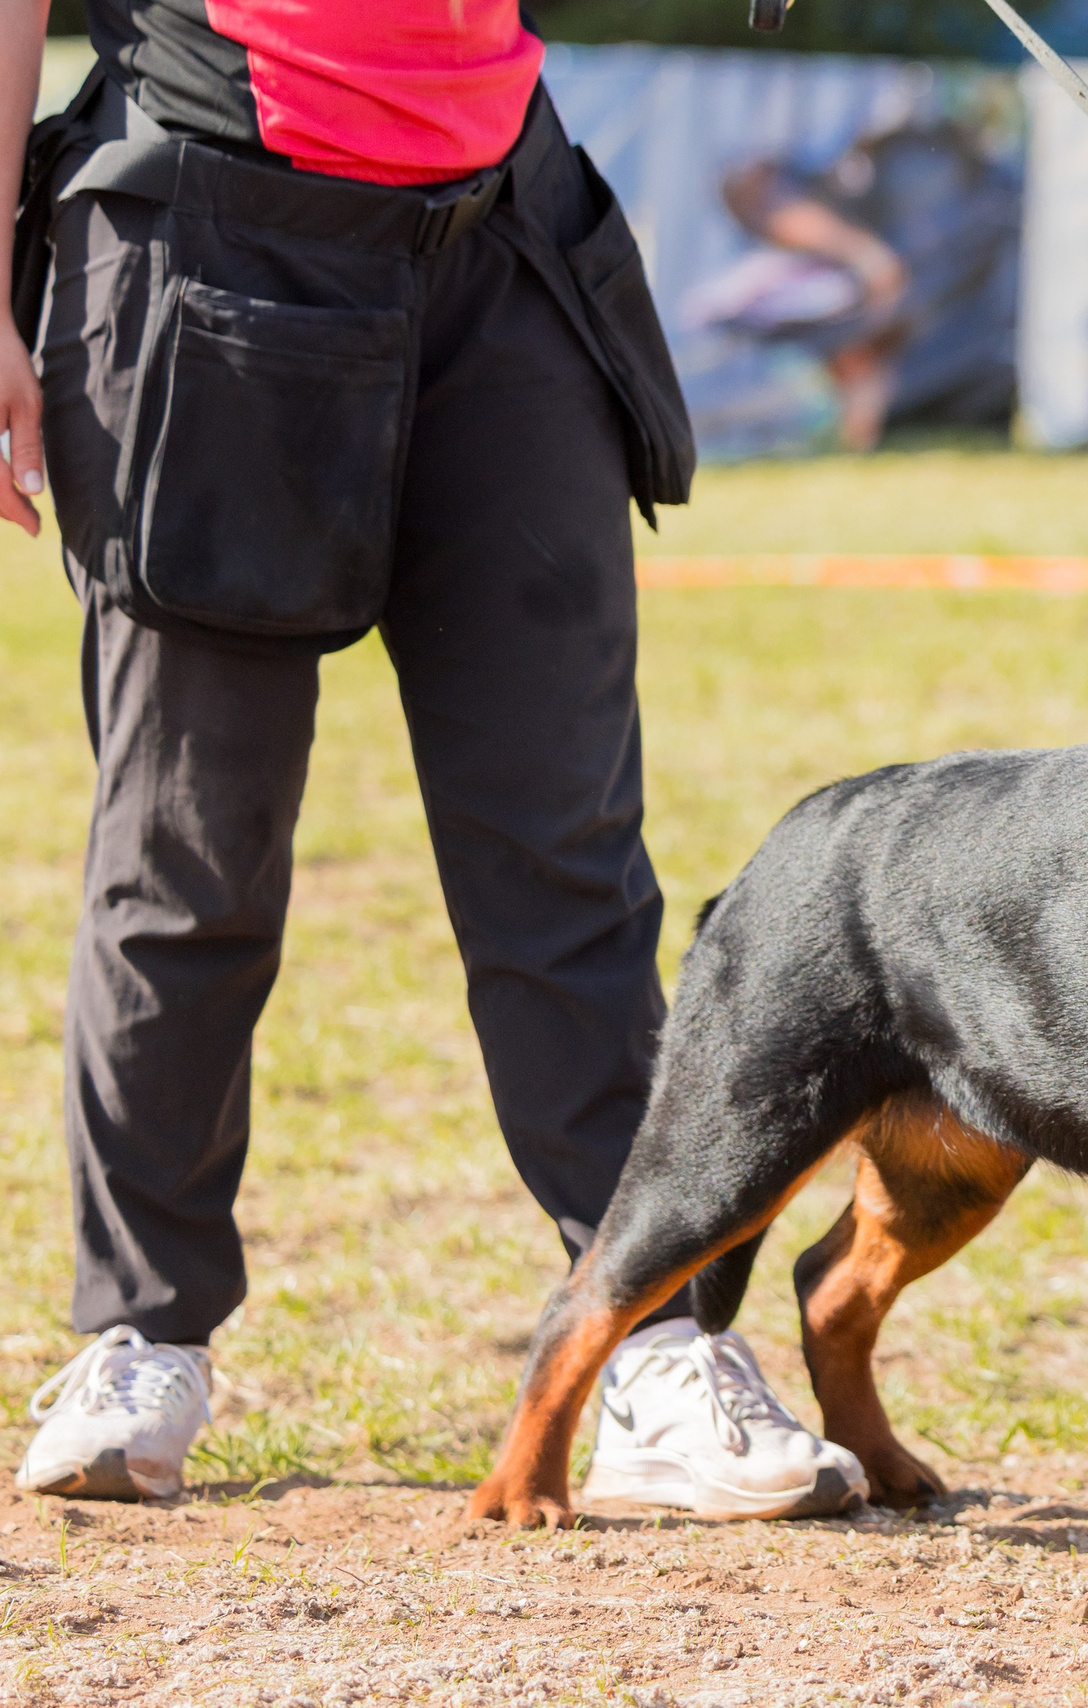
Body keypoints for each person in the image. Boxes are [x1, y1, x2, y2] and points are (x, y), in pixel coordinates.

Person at [1, 0, 860, 1519]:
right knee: (187, 845)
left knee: (567, 847)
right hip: (207, 222)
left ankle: (649, 1344)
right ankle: (141, 1333)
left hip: (503, 241)